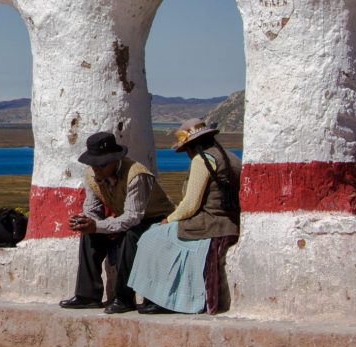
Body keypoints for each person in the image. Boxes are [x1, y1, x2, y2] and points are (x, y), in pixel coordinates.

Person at [128, 118, 240, 315]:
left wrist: (169, 220)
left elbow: (190, 204)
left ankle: (161, 298)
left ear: (190, 147)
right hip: (229, 221)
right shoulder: (231, 158)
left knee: (152, 237)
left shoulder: (202, 160)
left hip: (209, 222)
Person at [58, 131, 170, 314]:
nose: (97, 169)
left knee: (130, 237)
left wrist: (99, 226)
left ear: (114, 160)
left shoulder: (137, 175)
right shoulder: (91, 175)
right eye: (93, 164)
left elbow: (134, 216)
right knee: (89, 236)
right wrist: (87, 222)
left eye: (101, 164)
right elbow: (92, 208)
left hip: (154, 218)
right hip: (123, 217)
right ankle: (87, 295)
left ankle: (124, 297)